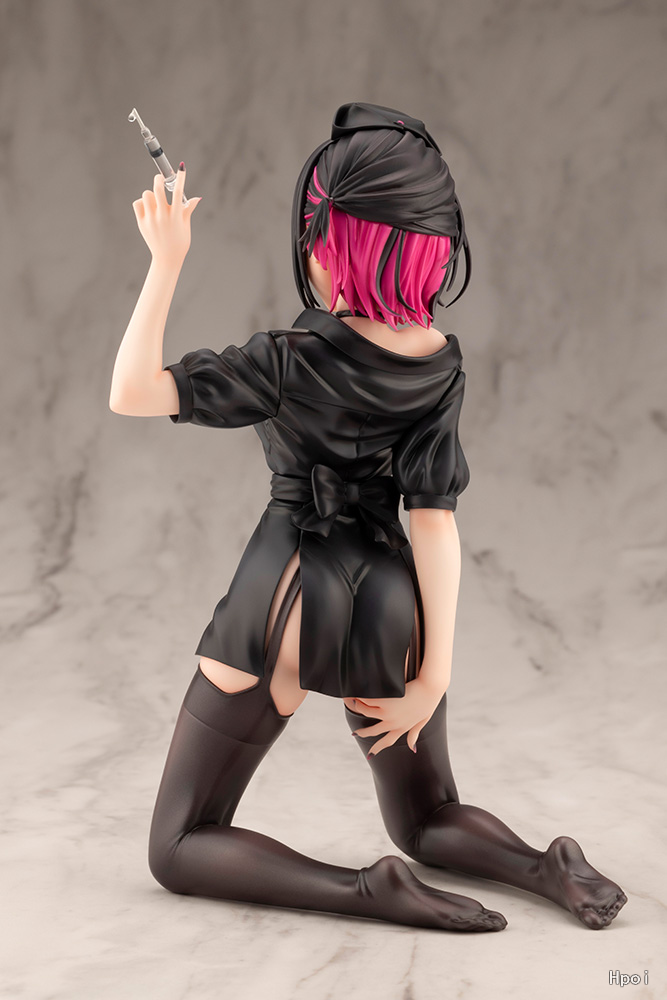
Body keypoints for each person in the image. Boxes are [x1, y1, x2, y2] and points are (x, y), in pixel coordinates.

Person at [110, 102, 627, 932]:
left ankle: (363, 889)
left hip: (284, 594)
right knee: (426, 817)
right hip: (393, 601)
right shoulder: (440, 363)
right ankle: (544, 863)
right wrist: (433, 675)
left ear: (330, 245)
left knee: (178, 843)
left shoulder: (286, 359)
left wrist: (165, 261)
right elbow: (434, 521)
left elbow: (132, 392)